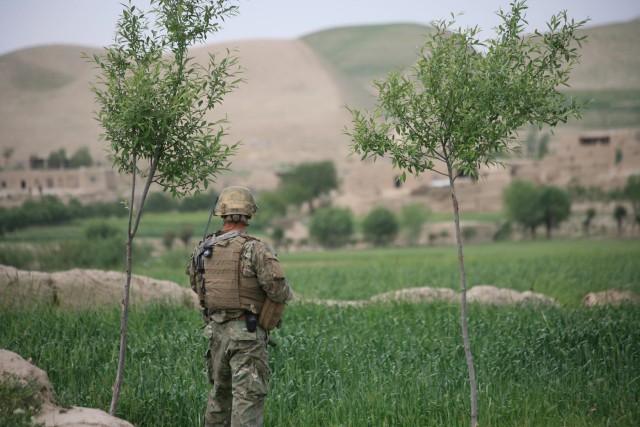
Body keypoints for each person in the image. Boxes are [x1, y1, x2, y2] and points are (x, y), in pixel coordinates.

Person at [186, 186, 294, 427]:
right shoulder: (254, 248)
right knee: (248, 399)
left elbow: (196, 286)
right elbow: (278, 290)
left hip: (215, 333)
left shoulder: (203, 249)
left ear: (221, 214)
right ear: (249, 214)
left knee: (219, 398)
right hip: (247, 333)